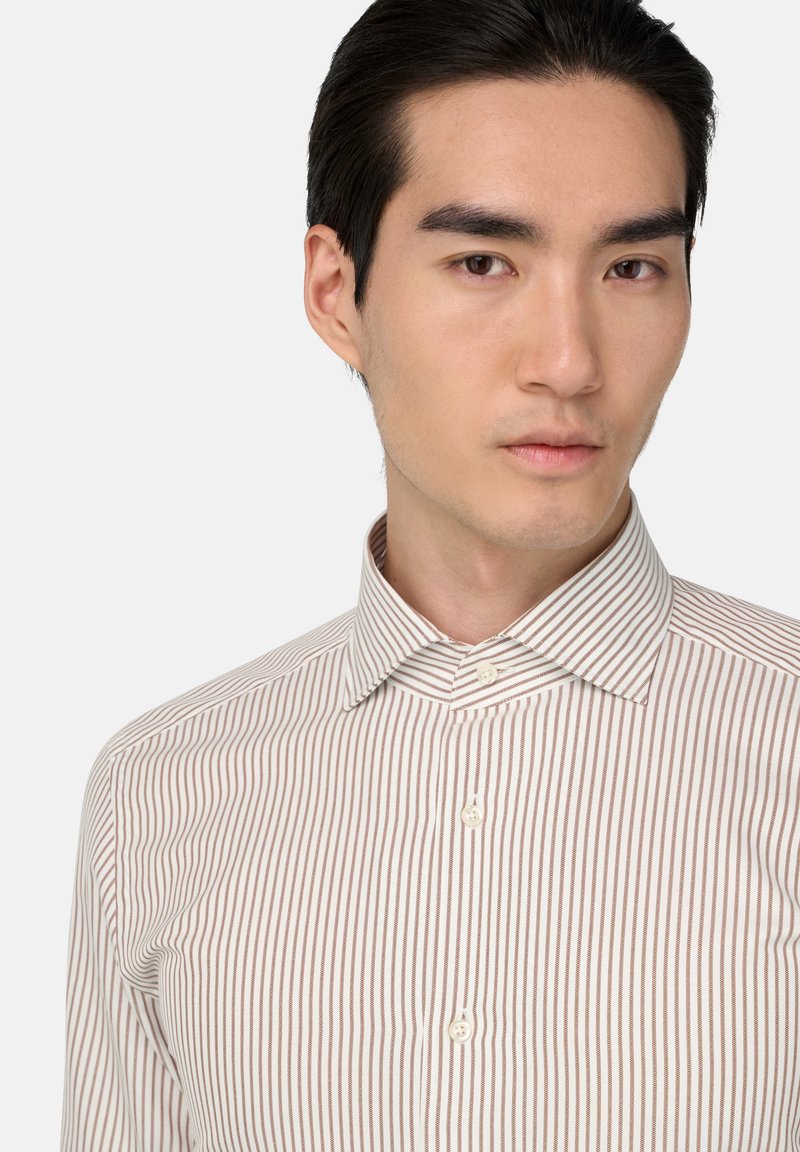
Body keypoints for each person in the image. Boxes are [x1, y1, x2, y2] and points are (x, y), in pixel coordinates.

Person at [60, 0, 800, 1148]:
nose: (567, 362)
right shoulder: (157, 795)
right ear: (335, 293)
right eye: (481, 261)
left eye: (631, 267)